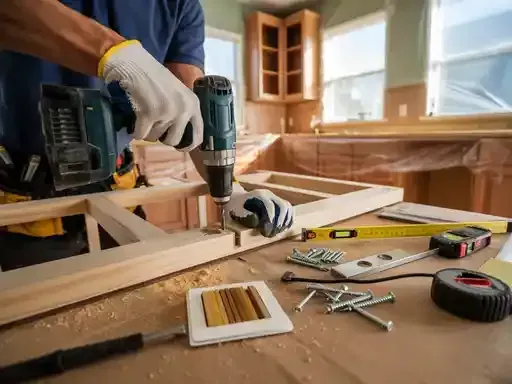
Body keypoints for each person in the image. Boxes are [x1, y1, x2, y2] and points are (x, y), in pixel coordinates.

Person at [0, 0, 294, 271]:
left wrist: (231, 190)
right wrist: (114, 54)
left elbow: (194, 115)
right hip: (27, 201)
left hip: (118, 188)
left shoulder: (181, 5)